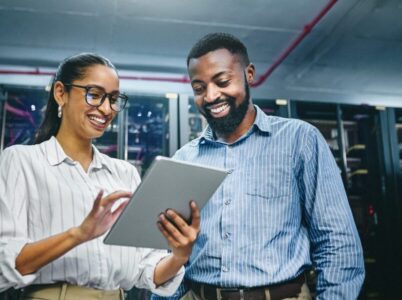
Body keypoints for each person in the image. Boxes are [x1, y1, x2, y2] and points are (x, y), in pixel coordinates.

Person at [153, 33, 365, 300]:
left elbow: (337, 242)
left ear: (249, 74)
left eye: (222, 81)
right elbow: (172, 253)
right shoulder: (185, 159)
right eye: (198, 88)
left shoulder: (299, 140)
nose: (211, 96)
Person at [0, 53, 200, 300]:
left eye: (114, 99)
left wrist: (179, 255)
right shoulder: (21, 161)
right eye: (94, 94)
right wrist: (78, 234)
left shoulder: (125, 173)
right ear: (61, 93)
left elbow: (145, 270)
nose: (106, 109)